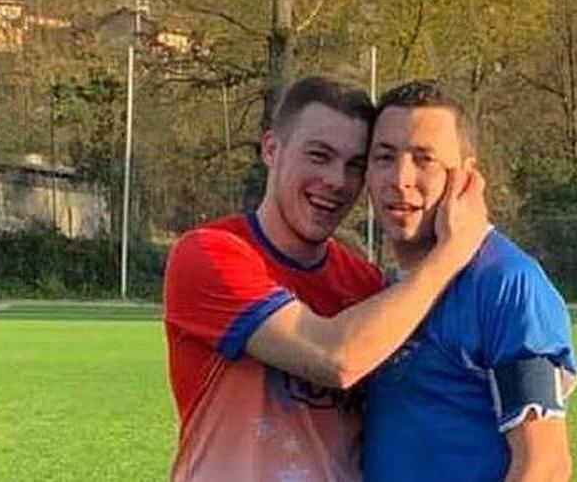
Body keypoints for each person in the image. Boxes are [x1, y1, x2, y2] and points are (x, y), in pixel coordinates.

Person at [162, 75, 490, 481]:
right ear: (271, 149)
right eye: (319, 156)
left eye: (355, 165)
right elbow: (338, 359)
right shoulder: (211, 254)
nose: (337, 181)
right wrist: (451, 254)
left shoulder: (367, 286)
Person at [361, 81, 577, 482]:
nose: (400, 178)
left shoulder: (506, 283)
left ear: (466, 176)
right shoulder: (379, 287)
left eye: (424, 159)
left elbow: (543, 466)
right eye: (384, 157)